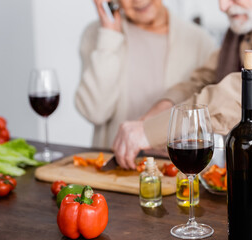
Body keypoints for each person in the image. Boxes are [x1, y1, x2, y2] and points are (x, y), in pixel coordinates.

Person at [112, 0, 252, 176]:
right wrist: (161, 110)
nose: (222, 6)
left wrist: (153, 131)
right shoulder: (246, 23)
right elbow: (203, 80)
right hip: (242, 190)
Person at [75, 0, 215, 148]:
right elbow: (95, 112)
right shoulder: (98, 34)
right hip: (116, 166)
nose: (138, 1)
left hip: (176, 167)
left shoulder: (200, 41)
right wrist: (109, 37)